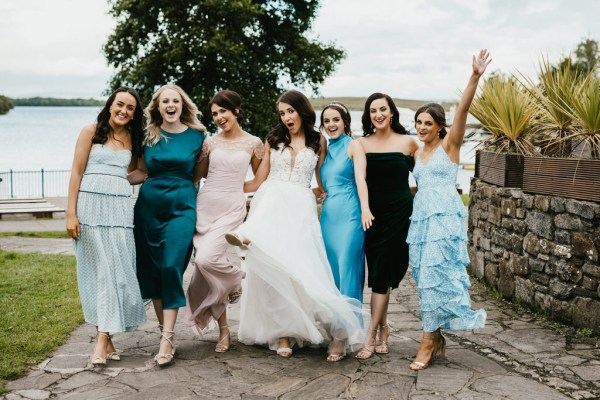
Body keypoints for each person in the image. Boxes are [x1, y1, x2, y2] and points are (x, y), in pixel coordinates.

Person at [225, 90, 367, 362]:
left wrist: (324, 194)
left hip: (301, 205)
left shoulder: (318, 140)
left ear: (302, 111)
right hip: (273, 197)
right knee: (272, 257)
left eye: (290, 111)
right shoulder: (273, 139)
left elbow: (320, 178)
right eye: (281, 112)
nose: (286, 117)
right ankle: (246, 236)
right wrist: (229, 187)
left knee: (293, 269)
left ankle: (247, 238)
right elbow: (258, 180)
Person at [407, 49, 491, 370]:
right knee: (424, 277)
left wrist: (474, 76)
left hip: (445, 221)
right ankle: (436, 335)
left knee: (435, 276)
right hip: (421, 222)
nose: (421, 127)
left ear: (440, 126)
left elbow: (463, 110)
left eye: (427, 123)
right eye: (418, 122)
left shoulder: (449, 145)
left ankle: (428, 341)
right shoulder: (417, 152)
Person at [66, 87, 146, 366]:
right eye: (120, 105)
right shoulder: (91, 131)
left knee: (117, 273)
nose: (124, 111)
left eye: (130, 108)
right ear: (110, 105)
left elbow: (142, 171)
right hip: (89, 208)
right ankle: (103, 339)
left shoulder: (134, 138)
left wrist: (120, 181)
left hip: (120, 211)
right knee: (98, 273)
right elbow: (76, 172)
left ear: (135, 113)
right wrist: (70, 214)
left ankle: (105, 337)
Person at [131, 84, 206, 367]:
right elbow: (140, 170)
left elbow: (199, 174)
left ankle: (167, 338)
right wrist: (109, 181)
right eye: (165, 101)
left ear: (182, 104)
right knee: (153, 271)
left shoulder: (198, 135)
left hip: (182, 206)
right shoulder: (147, 136)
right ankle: (168, 337)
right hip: (149, 207)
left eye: (175, 100)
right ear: (158, 106)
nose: (170, 105)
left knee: (171, 265)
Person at [184, 90, 264, 352]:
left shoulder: (253, 143)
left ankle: (234, 280)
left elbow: (258, 181)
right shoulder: (209, 143)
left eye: (223, 111)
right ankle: (224, 331)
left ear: (236, 111)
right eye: (215, 113)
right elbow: (197, 176)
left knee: (206, 260)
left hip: (232, 207)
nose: (219, 117)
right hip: (205, 206)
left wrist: (234, 189)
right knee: (207, 271)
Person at [355, 93, 419, 359]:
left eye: (383, 109)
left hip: (401, 214)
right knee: (379, 275)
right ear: (368, 116)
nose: (378, 114)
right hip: (373, 215)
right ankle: (382, 327)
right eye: (373, 111)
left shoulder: (409, 142)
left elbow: (425, 173)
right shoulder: (362, 143)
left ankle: (371, 336)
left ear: (392, 112)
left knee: (385, 275)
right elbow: (360, 178)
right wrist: (365, 208)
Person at [319, 102, 373, 303]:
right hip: (328, 217)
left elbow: (360, 178)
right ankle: (336, 324)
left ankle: (349, 325)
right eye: (326, 121)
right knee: (331, 268)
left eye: (336, 120)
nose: (331, 124)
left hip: (350, 215)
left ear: (345, 122)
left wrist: (365, 209)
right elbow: (323, 182)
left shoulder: (353, 145)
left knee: (347, 265)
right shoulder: (324, 149)